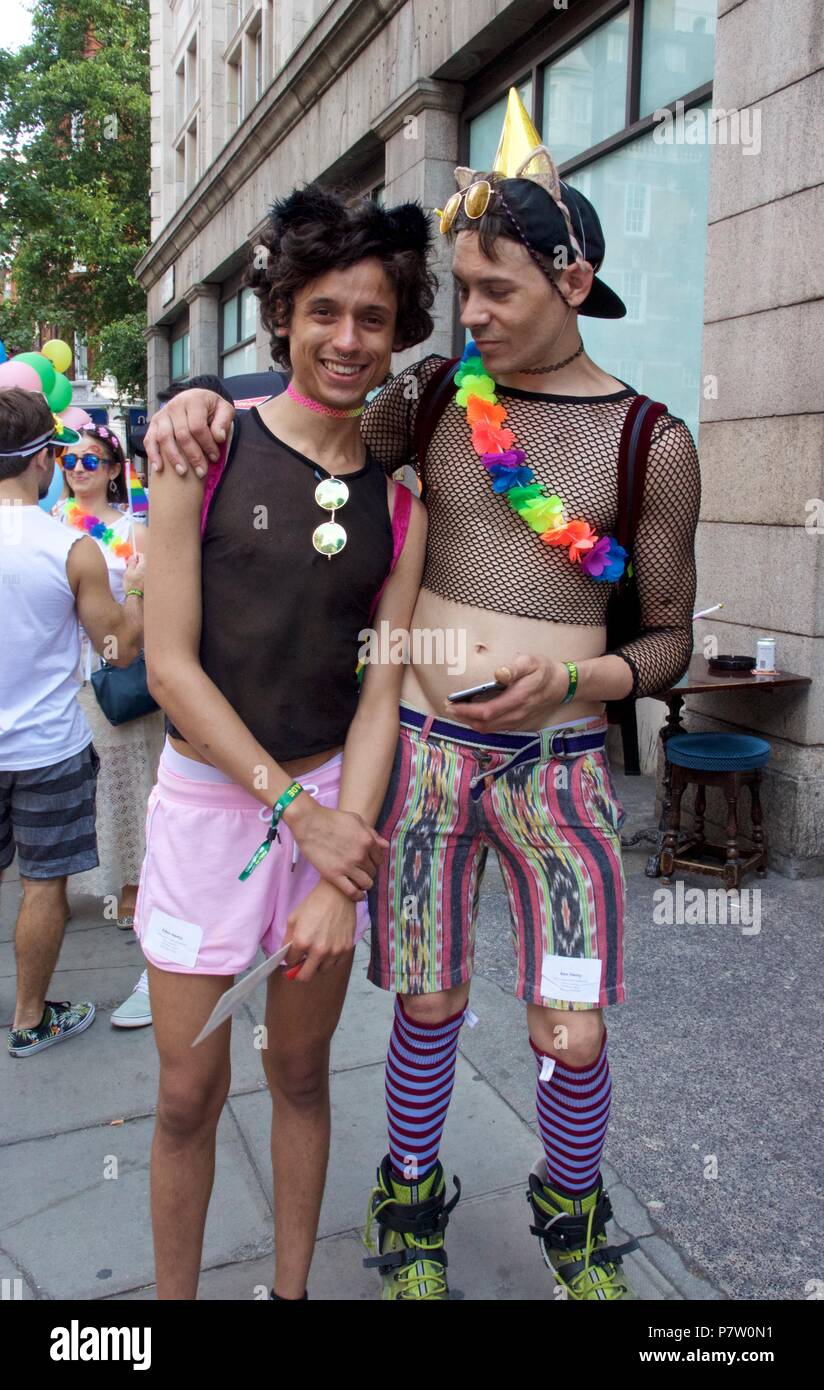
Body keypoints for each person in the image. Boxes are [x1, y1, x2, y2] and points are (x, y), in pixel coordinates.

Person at [143, 92, 701, 1301]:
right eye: (458, 290)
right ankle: (408, 1202)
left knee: (570, 1026)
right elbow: (317, 391)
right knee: (428, 1002)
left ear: (572, 275)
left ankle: (570, 1204)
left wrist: (576, 675)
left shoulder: (648, 443)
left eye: (495, 288)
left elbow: (667, 645)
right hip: (423, 756)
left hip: (556, 766)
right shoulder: (439, 400)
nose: (469, 315)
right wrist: (190, 400)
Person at [134, 185, 429, 1300]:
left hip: (327, 809)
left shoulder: (402, 510)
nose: (346, 338)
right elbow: (168, 665)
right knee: (181, 1095)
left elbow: (377, 693)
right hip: (213, 812)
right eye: (322, 312)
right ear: (283, 316)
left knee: (299, 1074)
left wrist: (339, 862)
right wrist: (295, 815)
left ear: (399, 331)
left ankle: (289, 1293)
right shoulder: (201, 451)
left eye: (370, 316)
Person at [0, 388, 145, 1057]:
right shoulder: (70, 550)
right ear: (43, 460)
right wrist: (142, 590)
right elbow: (117, 649)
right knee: (42, 885)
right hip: (47, 748)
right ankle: (30, 1019)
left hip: (43, 744)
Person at [54, 424, 164, 932]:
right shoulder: (53, 525)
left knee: (130, 778)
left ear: (114, 470)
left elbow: (157, 605)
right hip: (64, 675)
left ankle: (134, 885)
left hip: (119, 674)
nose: (78, 468)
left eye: (91, 460)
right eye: (70, 461)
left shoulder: (134, 531)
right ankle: (73, 881)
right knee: (78, 784)